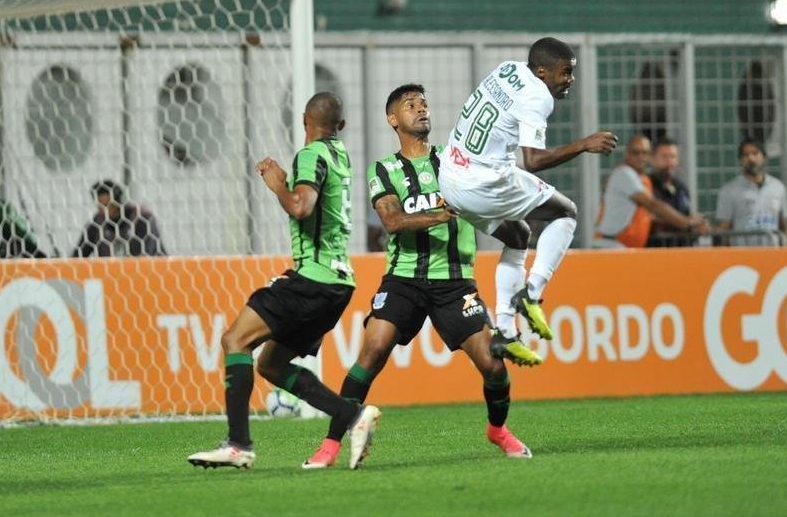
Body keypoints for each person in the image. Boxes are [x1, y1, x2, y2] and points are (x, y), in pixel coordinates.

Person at [302, 85, 530, 469]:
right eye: (410, 105)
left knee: (493, 366)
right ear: (393, 119)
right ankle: (330, 445)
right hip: (403, 279)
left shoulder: (457, 163)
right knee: (371, 352)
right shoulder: (384, 169)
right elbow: (392, 221)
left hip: (455, 282)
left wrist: (507, 222)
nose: (421, 110)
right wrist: (443, 213)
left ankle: (498, 430)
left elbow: (488, 212)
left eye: (423, 104)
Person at [187, 92, 380, 471]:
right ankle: (350, 414)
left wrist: (277, 183)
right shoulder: (340, 157)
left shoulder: (310, 156)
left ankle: (238, 444)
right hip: (339, 285)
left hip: (313, 278)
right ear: (340, 126)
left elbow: (300, 205)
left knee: (234, 340)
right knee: (272, 364)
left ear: (305, 120)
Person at [438, 37, 618, 365]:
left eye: (572, 72)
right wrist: (584, 144)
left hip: (451, 176)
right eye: (565, 73)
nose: (570, 80)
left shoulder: (507, 69)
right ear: (542, 72)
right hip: (483, 181)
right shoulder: (538, 97)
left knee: (519, 236)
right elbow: (533, 161)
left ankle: (505, 331)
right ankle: (532, 292)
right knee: (566, 212)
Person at [594, 135, 707, 248]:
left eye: (645, 153)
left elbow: (652, 215)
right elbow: (653, 205)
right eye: (636, 152)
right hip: (610, 244)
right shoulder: (624, 173)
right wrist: (687, 223)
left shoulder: (642, 179)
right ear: (627, 153)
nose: (641, 157)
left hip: (623, 246)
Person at [714, 138, 787, 246]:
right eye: (746, 155)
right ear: (740, 160)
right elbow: (724, 228)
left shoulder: (778, 188)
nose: (751, 159)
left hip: (773, 253)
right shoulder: (729, 191)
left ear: (764, 157)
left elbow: (784, 225)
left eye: (755, 153)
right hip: (743, 255)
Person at [72, 180, 166, 257]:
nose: (105, 211)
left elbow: (146, 255)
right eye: (100, 207)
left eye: (108, 205)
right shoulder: (97, 223)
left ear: (119, 201)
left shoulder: (142, 217)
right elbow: (77, 257)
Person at [648, 137, 697, 247]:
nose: (669, 161)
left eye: (672, 156)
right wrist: (684, 223)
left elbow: (687, 216)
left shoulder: (681, 188)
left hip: (681, 251)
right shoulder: (646, 185)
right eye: (664, 156)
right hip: (653, 251)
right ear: (652, 159)